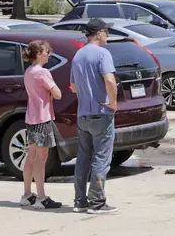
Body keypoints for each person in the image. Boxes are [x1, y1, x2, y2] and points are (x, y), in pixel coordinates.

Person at [70, 18, 118, 214]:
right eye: (106, 32)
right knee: (101, 158)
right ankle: (97, 203)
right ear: (98, 33)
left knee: (83, 158)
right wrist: (113, 103)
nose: (108, 35)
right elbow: (110, 80)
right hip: (101, 113)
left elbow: (73, 87)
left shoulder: (78, 55)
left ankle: (80, 201)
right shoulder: (102, 54)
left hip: (83, 115)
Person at [20, 40, 63, 209]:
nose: (48, 54)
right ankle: (41, 197)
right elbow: (58, 94)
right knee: (41, 158)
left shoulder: (29, 71)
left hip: (31, 117)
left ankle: (27, 194)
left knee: (31, 156)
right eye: (46, 52)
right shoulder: (43, 72)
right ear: (39, 54)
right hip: (42, 118)